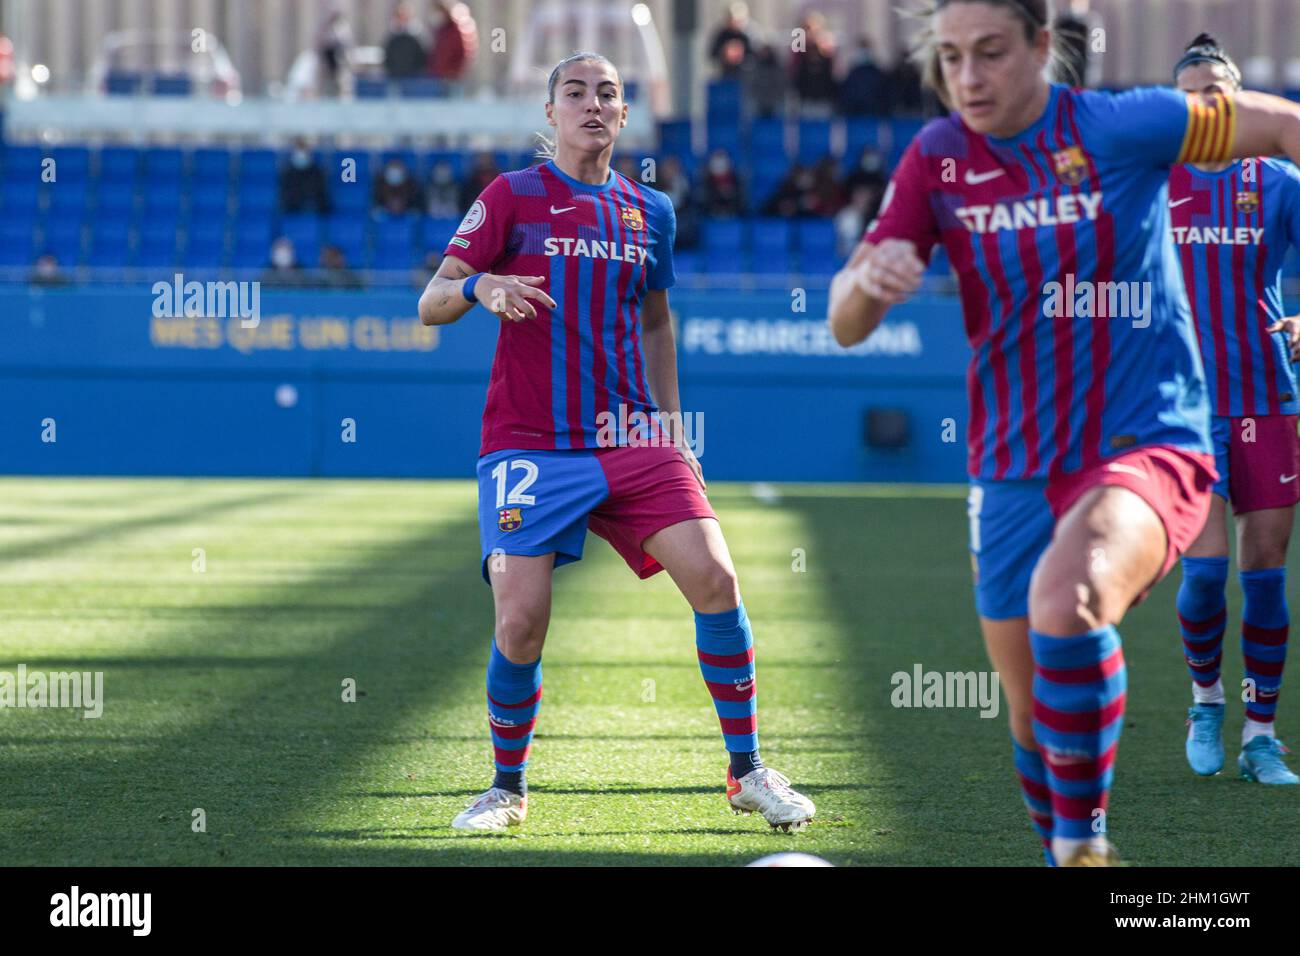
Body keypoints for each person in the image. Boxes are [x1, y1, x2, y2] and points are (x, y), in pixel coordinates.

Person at [828, 0, 1300, 866]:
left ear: (1044, 47)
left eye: (993, 53)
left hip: (1148, 439)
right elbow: (844, 321)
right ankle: (1064, 850)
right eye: (954, 57)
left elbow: (1283, 125)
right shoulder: (936, 157)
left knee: (1068, 597)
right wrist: (870, 284)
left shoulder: (1125, 124)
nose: (969, 78)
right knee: (1029, 706)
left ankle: (1087, 850)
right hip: (1013, 463)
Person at [419, 51, 816, 834]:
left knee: (717, 579)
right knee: (521, 622)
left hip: (631, 432)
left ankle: (746, 773)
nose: (592, 105)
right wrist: (479, 287)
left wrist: (671, 425)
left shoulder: (650, 212)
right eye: (576, 93)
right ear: (551, 110)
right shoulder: (511, 197)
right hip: (529, 441)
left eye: (608, 94)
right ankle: (507, 787)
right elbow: (432, 300)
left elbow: (657, 321)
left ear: (625, 115)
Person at [1169, 34, 1300, 785]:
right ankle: (1206, 701)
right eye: (1191, 92)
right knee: (1205, 575)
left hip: (1268, 400)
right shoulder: (1155, 185)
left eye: (1217, 88)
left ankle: (1261, 735)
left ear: (1240, 98)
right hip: (1187, 410)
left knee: (1267, 576)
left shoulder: (1279, 181)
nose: (1205, 102)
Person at [279, 138, 331, 214]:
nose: (301, 154)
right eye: (299, 150)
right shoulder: (288, 173)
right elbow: (285, 197)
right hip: (293, 209)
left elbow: (322, 197)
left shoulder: (317, 172)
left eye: (303, 150)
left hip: (314, 208)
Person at [384, 1, 427, 79]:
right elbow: (387, 56)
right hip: (395, 76)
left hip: (413, 77)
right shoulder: (393, 36)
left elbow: (422, 56)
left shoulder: (416, 35)